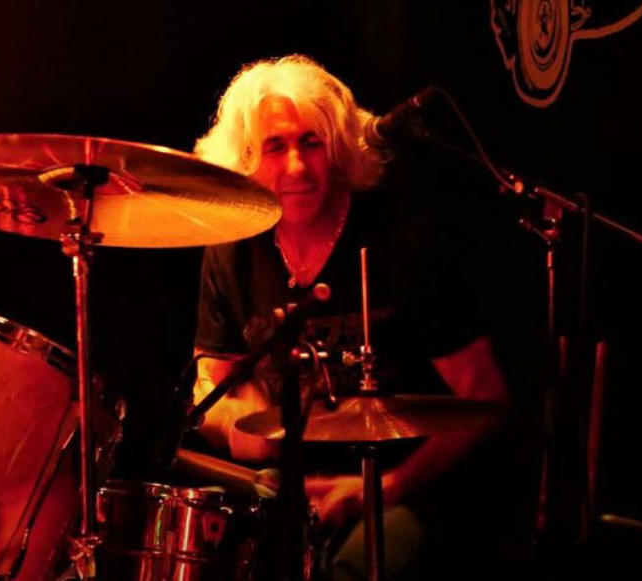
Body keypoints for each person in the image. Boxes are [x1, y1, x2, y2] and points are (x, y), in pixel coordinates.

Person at [190, 54, 509, 579]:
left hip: (404, 489)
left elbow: (485, 396)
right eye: (275, 146)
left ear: (338, 148)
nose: (297, 166)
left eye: (312, 142)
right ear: (246, 156)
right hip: (281, 490)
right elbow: (211, 384)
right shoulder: (233, 245)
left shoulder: (400, 240)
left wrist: (385, 487)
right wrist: (232, 423)